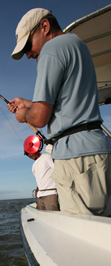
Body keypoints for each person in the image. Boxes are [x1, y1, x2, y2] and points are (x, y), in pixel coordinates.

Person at [7, 8, 111, 215]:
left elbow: (39, 118)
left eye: (27, 45)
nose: (28, 54)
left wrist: (24, 115)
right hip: (94, 148)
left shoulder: (51, 49)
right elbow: (69, 100)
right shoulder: (76, 44)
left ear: (45, 27)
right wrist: (29, 103)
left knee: (81, 236)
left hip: (76, 157)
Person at [24, 135, 59, 211]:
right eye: (27, 154)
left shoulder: (47, 157)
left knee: (53, 218)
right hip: (40, 196)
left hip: (51, 194)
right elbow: (39, 179)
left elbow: (58, 170)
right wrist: (37, 190)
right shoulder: (34, 165)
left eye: (30, 152)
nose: (29, 155)